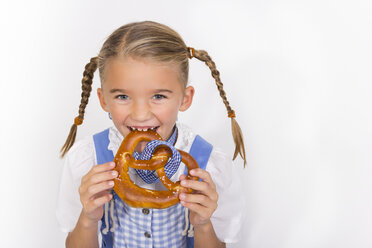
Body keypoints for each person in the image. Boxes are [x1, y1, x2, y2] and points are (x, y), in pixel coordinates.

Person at [57, 20, 246, 248]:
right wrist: (88, 219)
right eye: (123, 97)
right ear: (103, 99)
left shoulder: (209, 166)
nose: (140, 114)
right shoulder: (87, 160)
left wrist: (203, 224)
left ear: (185, 99)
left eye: (158, 96)